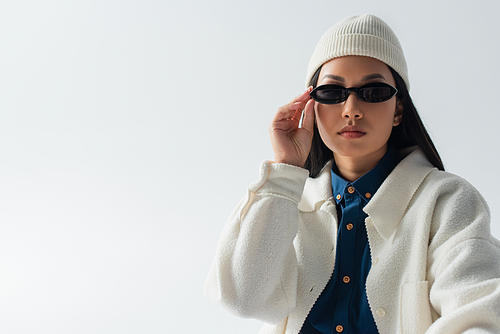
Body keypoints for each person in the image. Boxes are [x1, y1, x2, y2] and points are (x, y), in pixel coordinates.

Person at [204, 14, 500, 334]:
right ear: (311, 106)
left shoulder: (446, 202)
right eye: (332, 93)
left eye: (373, 91)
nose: (351, 109)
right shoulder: (288, 204)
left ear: (399, 109)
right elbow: (242, 299)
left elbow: (480, 311)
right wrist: (284, 173)